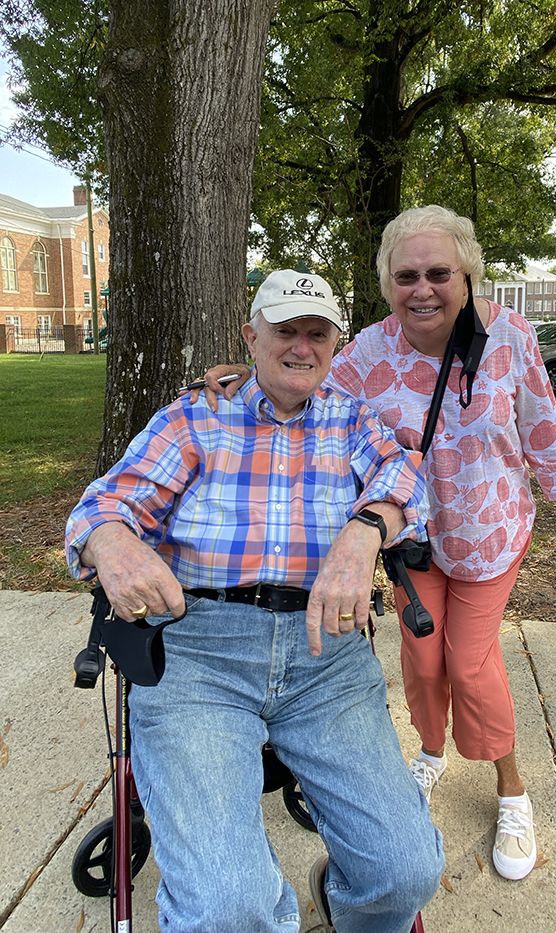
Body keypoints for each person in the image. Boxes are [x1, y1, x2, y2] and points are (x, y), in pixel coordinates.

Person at [199, 207, 556, 883]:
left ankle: (512, 788)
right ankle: (430, 752)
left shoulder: (509, 336)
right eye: (407, 275)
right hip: (416, 543)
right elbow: (303, 392)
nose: (422, 288)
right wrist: (242, 378)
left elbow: (544, 435)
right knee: (424, 664)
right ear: (388, 284)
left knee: (469, 661)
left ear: (467, 275)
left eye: (439, 272)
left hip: (491, 538)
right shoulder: (367, 353)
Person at [65, 269, 444, 933]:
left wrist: (365, 531)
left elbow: (408, 476)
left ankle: (353, 901)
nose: (301, 345)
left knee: (404, 870)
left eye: (316, 332)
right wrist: (110, 540)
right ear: (251, 335)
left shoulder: (353, 420)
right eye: (285, 329)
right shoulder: (194, 416)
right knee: (228, 908)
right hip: (199, 653)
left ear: (336, 344)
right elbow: (106, 503)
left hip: (324, 655)